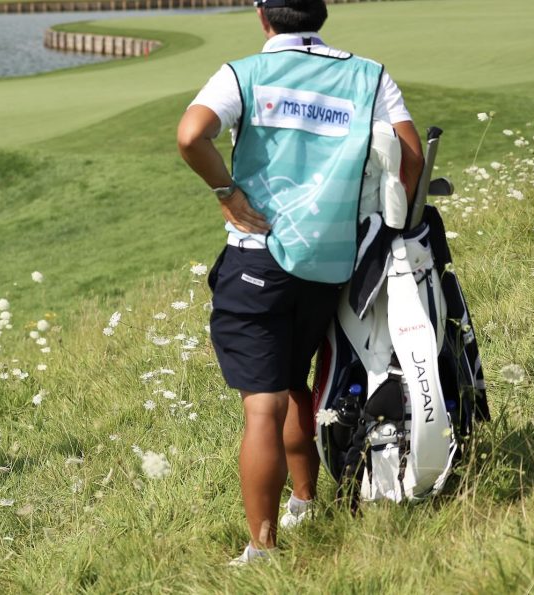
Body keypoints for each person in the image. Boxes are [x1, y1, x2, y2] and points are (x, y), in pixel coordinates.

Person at [176, 0, 423, 565]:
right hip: (330, 261)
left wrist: (227, 193)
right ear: (321, 15)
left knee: (263, 403)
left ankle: (262, 548)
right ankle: (306, 500)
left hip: (257, 260)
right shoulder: (369, 74)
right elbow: (409, 158)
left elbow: (192, 135)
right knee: (295, 383)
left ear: (265, 17)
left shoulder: (243, 73)